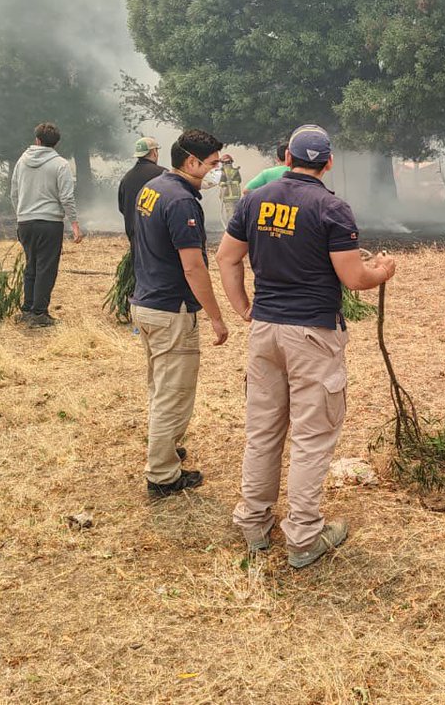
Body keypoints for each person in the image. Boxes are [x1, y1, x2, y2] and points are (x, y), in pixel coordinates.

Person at [217, 123, 396, 569]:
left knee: (263, 431)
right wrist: (384, 271)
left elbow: (226, 257)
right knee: (312, 439)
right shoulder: (332, 208)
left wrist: (244, 309)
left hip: (266, 331)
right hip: (313, 334)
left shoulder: (254, 200)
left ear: (288, 159)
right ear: (328, 162)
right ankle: (303, 538)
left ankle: (254, 525)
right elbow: (354, 278)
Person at [131, 129, 230, 497]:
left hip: (146, 303)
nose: (216, 170)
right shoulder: (182, 203)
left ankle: (167, 448)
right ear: (191, 161)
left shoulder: (153, 187)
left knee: (160, 387)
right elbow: (193, 266)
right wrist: (216, 316)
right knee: (173, 394)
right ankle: (162, 475)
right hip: (172, 309)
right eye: (213, 164)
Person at [11, 122, 82, 327]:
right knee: (46, 268)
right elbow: (66, 197)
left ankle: (27, 309)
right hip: (49, 223)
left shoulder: (22, 162)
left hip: (25, 222)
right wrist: (74, 224)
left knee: (31, 265)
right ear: (56, 143)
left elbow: (14, 192)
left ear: (37, 140)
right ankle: (40, 314)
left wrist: (21, 214)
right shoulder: (60, 164)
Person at [118, 137, 165, 243]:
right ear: (154, 152)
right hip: (157, 240)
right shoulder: (163, 175)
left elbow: (122, 208)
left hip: (135, 238)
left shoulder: (127, 178)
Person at [218, 153, 244, 222]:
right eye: (225, 162)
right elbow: (220, 182)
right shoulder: (221, 172)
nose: (227, 164)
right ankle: (231, 229)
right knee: (230, 215)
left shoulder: (235, 171)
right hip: (227, 198)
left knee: (237, 214)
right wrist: (224, 183)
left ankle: (236, 229)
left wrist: (231, 181)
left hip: (236, 196)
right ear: (222, 163)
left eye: (228, 162)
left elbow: (239, 180)